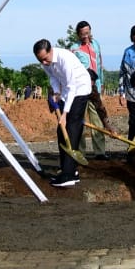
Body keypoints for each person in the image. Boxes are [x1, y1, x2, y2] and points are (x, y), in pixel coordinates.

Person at [33, 38, 92, 187]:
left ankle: (69, 175)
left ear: (50, 50)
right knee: (61, 131)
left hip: (80, 89)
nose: (44, 63)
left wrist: (65, 114)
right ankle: (68, 169)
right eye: (41, 61)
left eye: (45, 59)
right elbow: (53, 77)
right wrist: (57, 93)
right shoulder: (45, 62)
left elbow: (73, 87)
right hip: (66, 91)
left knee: (72, 128)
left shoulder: (65, 58)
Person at [71, 19, 112, 159]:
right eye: (83, 34)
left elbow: (100, 65)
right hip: (80, 89)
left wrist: (101, 83)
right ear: (78, 34)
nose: (86, 36)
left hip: (95, 87)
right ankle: (80, 152)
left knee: (97, 120)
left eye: (87, 33)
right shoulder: (74, 48)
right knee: (80, 121)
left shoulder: (96, 44)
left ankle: (100, 152)